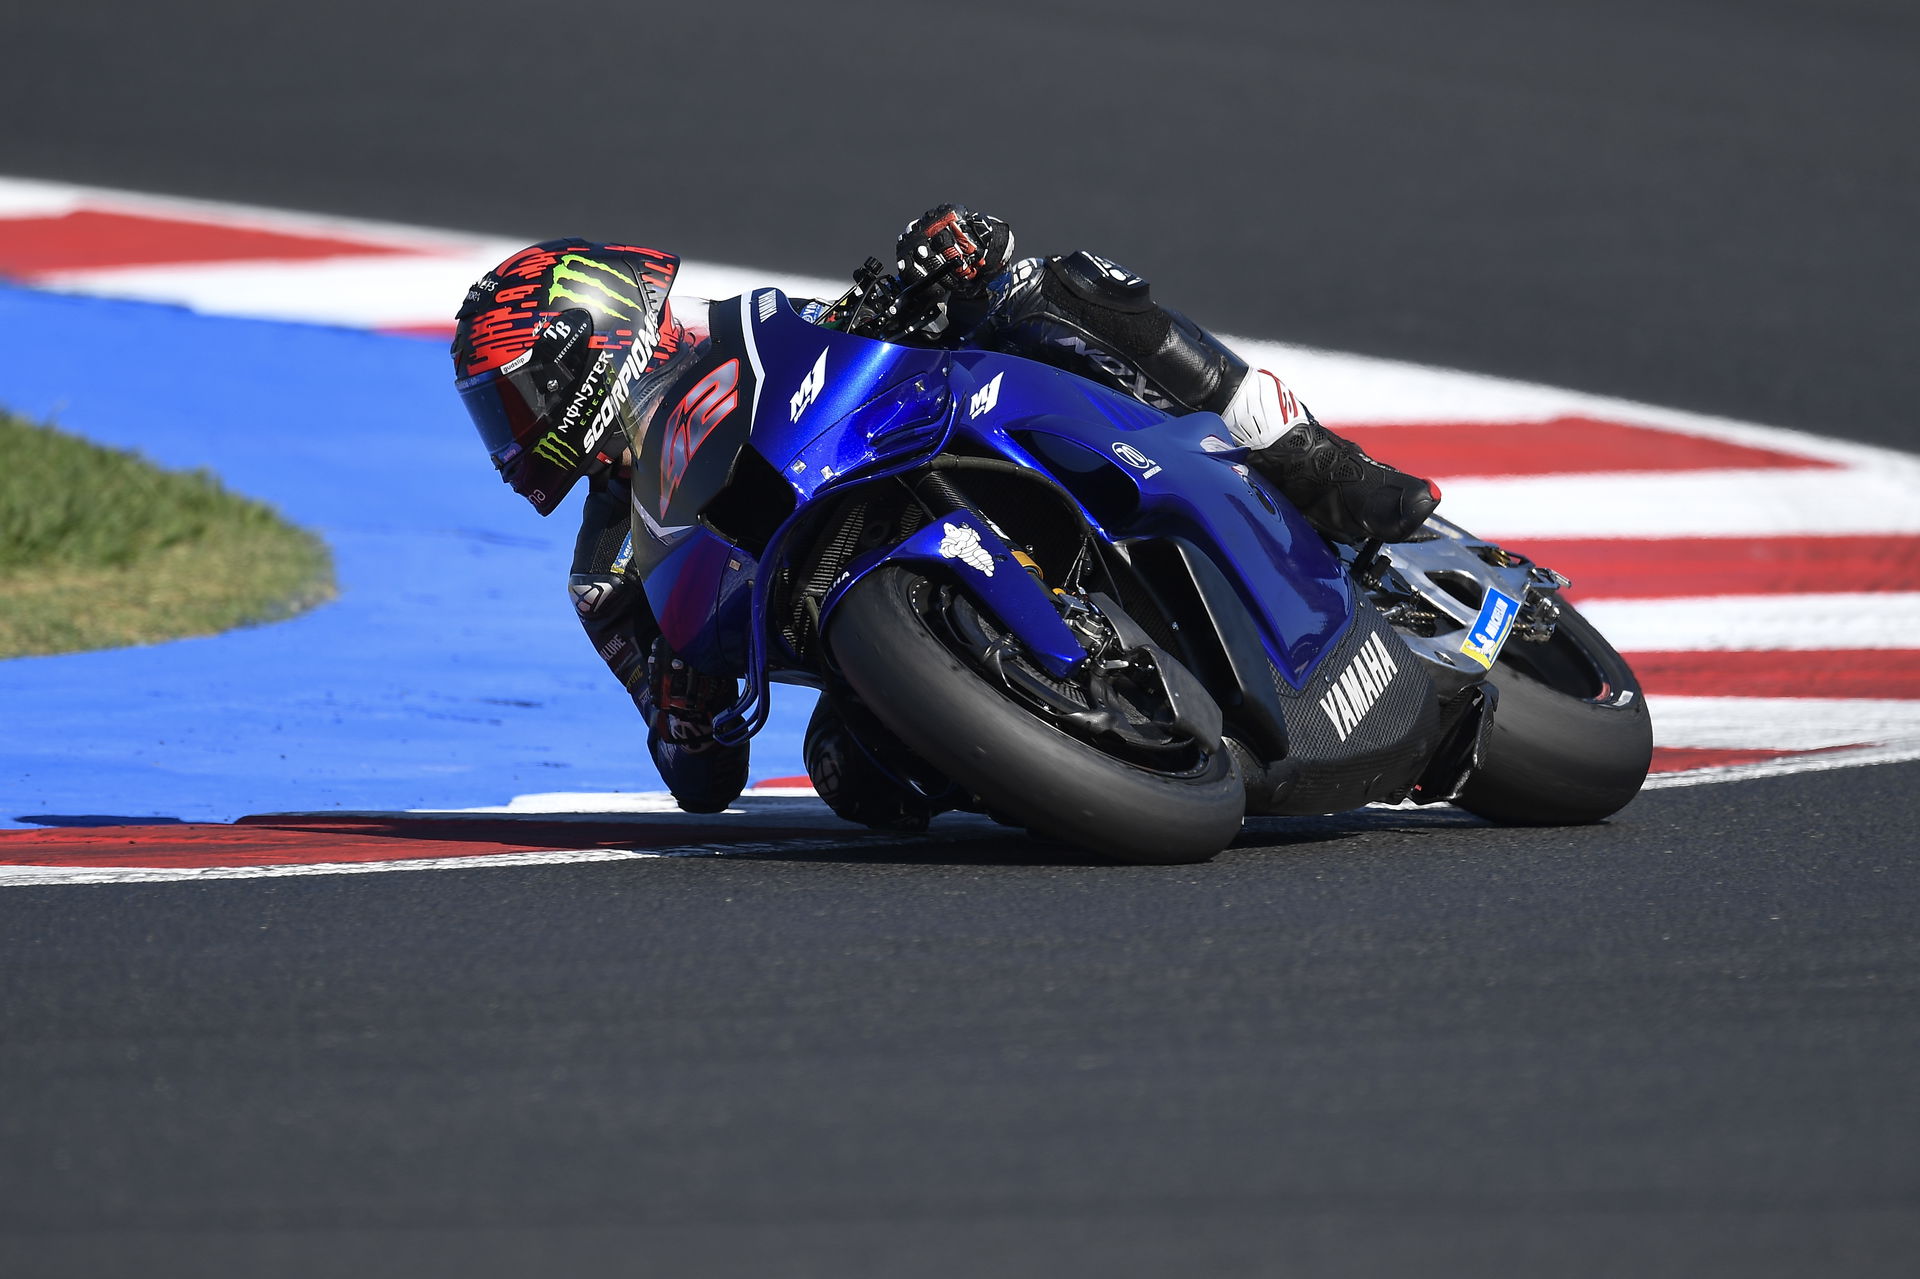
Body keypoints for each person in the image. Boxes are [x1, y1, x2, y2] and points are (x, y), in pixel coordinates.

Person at [450, 207, 1439, 821]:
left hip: (907, 440)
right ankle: (1083, 748)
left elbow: (848, 323)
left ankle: (1292, 446)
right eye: (502, 413)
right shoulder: (603, 576)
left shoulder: (734, 330)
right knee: (850, 776)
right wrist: (682, 714)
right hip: (851, 615)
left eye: (521, 396)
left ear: (593, 336)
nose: (517, 430)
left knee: (1036, 285)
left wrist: (938, 264)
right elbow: (700, 782)